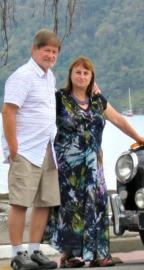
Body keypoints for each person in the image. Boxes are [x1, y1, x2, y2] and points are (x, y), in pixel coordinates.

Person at [45, 56, 144, 268]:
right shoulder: (59, 98)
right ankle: (71, 255)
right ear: (71, 75)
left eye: (86, 73)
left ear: (92, 76)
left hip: (94, 164)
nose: (82, 76)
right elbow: (41, 120)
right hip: (69, 166)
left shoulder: (97, 100)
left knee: (98, 202)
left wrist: (138, 138)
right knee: (72, 208)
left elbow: (118, 119)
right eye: (78, 72)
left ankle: (98, 253)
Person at [1, 29, 60, 270]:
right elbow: (8, 111)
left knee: (44, 202)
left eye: (54, 52)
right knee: (20, 203)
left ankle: (35, 251)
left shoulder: (50, 77)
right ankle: (18, 253)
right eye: (46, 50)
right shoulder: (22, 76)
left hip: (47, 148)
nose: (50, 55)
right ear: (34, 50)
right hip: (25, 149)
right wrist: (13, 147)